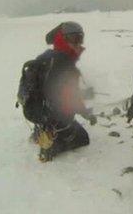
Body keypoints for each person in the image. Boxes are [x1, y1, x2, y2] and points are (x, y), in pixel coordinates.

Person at [29, 21, 97, 162]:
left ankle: (41, 132)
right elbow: (67, 98)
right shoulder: (64, 64)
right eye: (74, 38)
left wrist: (82, 95)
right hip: (56, 118)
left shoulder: (48, 57)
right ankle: (52, 144)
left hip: (42, 114)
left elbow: (57, 91)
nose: (78, 43)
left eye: (80, 38)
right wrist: (85, 112)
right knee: (83, 138)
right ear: (62, 39)